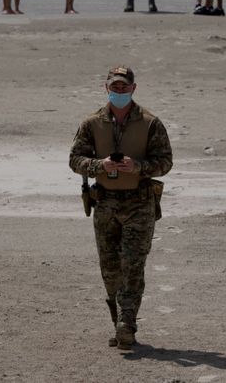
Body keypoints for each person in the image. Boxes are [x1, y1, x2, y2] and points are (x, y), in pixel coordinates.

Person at [69, 65, 173, 350]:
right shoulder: (92, 123)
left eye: (124, 87)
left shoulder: (151, 123)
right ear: (106, 88)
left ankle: (127, 324)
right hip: (105, 203)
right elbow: (75, 159)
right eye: (114, 87)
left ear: (133, 89)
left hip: (139, 203)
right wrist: (98, 165)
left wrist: (137, 166)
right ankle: (119, 322)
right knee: (110, 269)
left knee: (133, 266)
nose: (119, 91)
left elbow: (165, 162)